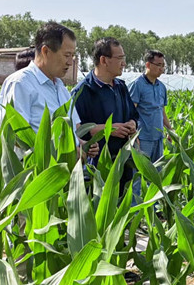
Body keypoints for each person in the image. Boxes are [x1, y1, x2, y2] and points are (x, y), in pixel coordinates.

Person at [0, 21, 98, 159]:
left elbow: (71, 131)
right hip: (35, 176)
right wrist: (65, 151)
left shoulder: (61, 87)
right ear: (45, 51)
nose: (70, 62)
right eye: (67, 55)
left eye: (72, 56)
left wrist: (82, 144)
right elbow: (13, 136)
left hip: (63, 176)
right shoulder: (20, 83)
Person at [70, 37, 139, 196]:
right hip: (97, 166)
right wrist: (106, 130)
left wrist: (132, 123)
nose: (124, 63)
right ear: (103, 60)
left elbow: (133, 114)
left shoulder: (120, 87)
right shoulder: (83, 91)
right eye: (120, 58)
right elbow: (75, 130)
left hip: (122, 162)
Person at [128, 50, 173, 199]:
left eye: (163, 66)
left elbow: (162, 111)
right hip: (143, 138)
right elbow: (130, 112)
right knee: (139, 175)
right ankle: (136, 211)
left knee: (155, 175)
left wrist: (170, 130)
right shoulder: (137, 85)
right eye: (158, 65)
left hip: (157, 138)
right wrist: (134, 135)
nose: (161, 69)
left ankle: (153, 210)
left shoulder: (161, 87)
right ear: (148, 64)